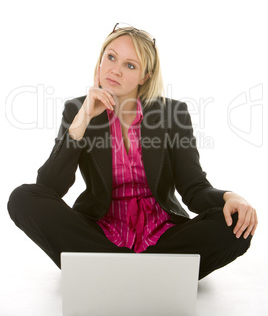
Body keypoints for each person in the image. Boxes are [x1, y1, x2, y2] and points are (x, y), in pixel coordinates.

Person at [7, 23, 258, 280]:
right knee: (22, 198)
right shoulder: (77, 110)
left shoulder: (173, 114)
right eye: (111, 57)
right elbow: (49, 189)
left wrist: (229, 197)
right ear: (101, 59)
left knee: (236, 226)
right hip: (100, 234)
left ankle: (114, 273)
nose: (115, 70)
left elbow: (193, 188)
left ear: (144, 76)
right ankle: (152, 275)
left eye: (130, 65)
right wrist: (83, 119)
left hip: (163, 236)